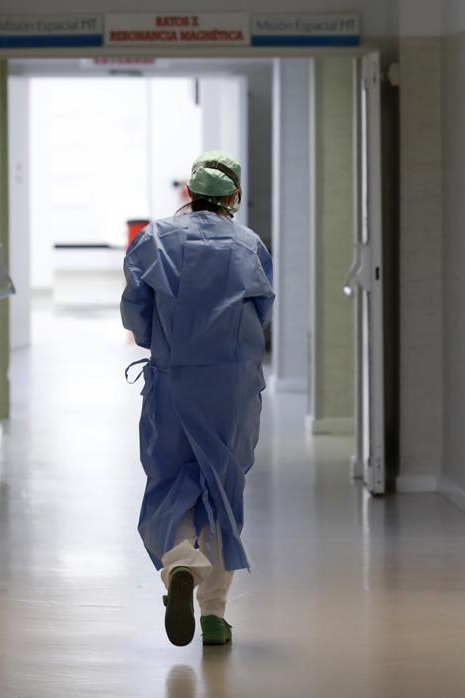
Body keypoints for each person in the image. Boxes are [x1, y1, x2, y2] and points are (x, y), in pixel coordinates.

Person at [121, 151, 274, 648]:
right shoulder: (248, 245)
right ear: (234, 196)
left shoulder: (156, 239)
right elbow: (261, 314)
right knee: (221, 489)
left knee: (170, 480)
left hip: (174, 380)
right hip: (230, 386)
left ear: (190, 192)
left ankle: (180, 561)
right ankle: (213, 614)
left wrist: (166, 344)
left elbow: (136, 314)